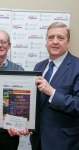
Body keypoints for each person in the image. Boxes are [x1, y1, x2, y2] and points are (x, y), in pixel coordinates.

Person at [30, 22, 79, 150]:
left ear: (68, 43)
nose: (55, 41)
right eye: (51, 37)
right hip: (38, 140)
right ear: (46, 41)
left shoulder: (77, 66)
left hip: (64, 142)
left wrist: (52, 92)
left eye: (60, 38)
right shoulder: (39, 67)